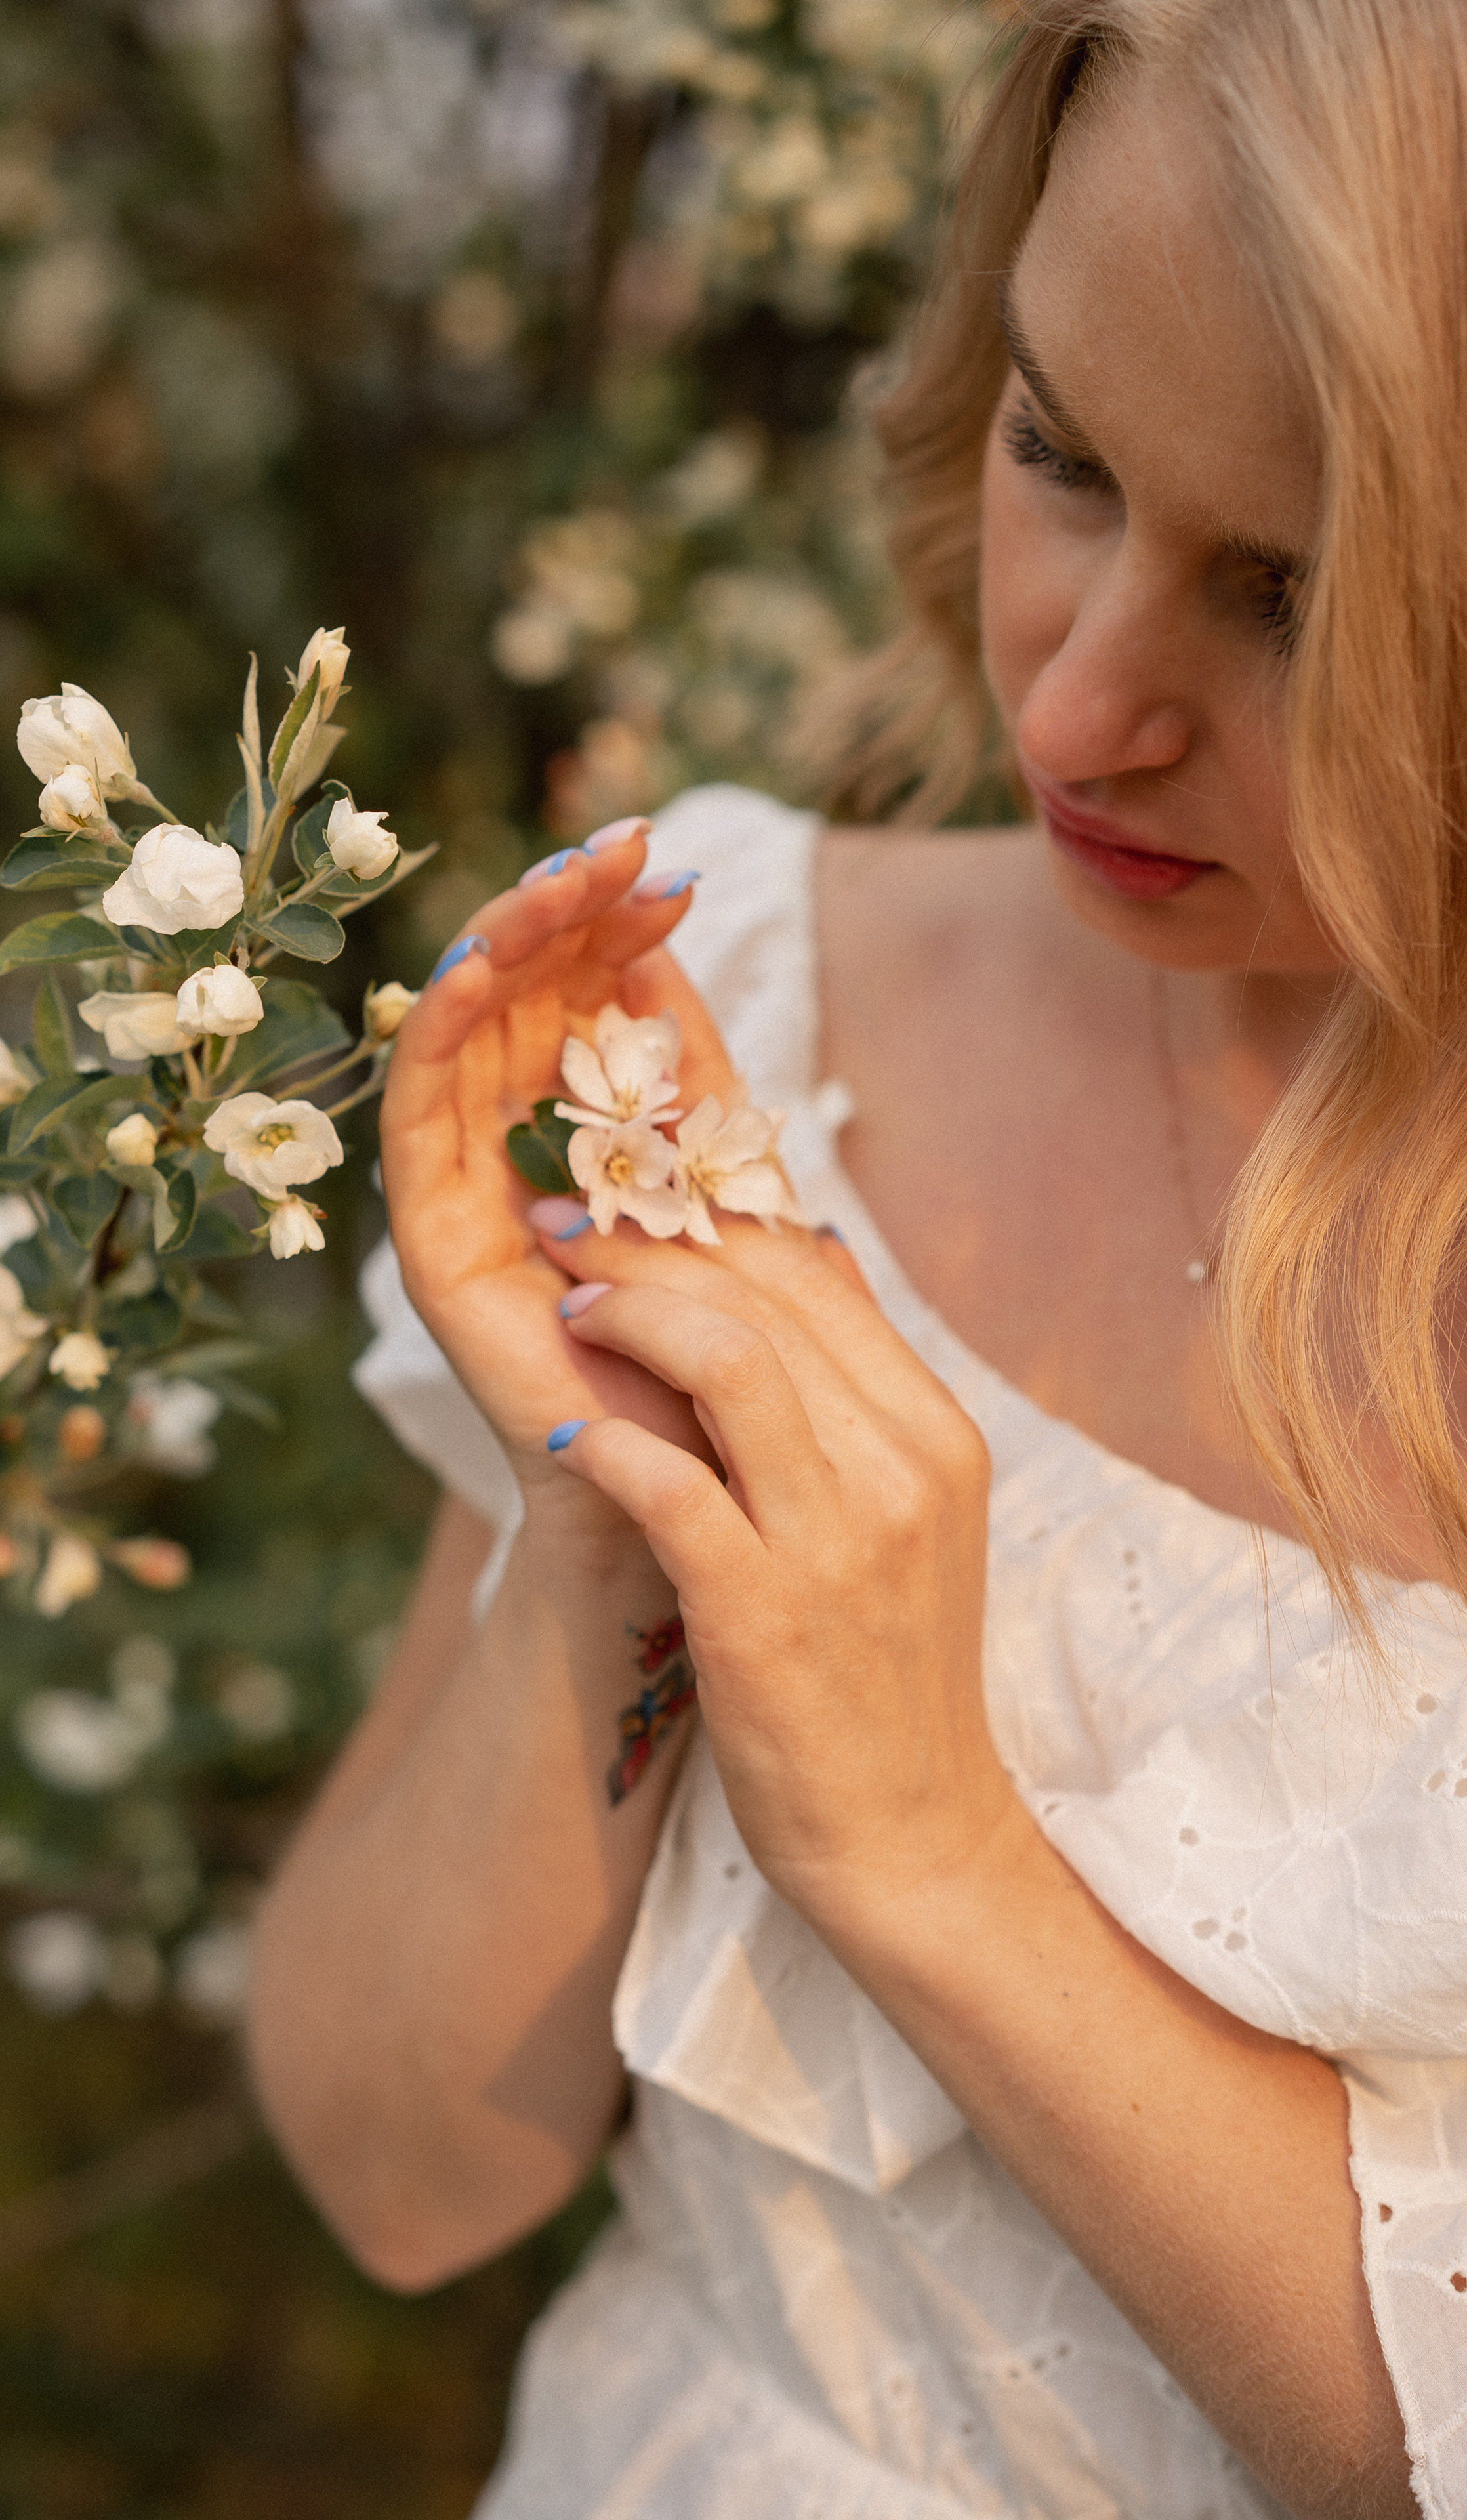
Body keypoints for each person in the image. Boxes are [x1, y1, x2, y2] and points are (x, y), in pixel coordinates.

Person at [247, 4, 1467, 2512]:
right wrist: (622, 1502)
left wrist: (920, 1843)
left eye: (1296, 596)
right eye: (1062, 452)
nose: (1084, 696)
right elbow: (395, 2170)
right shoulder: (753, 1010)